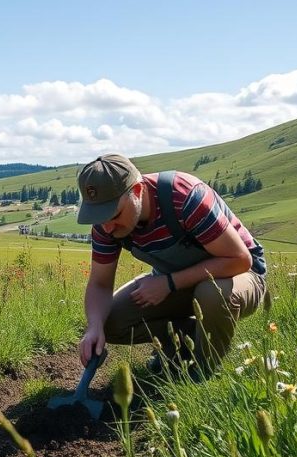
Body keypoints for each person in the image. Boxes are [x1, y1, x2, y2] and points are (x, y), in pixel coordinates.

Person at [76, 154, 267, 379]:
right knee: (110, 321)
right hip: (175, 283)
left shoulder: (185, 197)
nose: (107, 227)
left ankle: (203, 374)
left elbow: (239, 260)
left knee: (210, 293)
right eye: (99, 217)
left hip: (240, 275)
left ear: (137, 191)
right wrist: (94, 327)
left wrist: (169, 283)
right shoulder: (105, 225)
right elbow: (100, 283)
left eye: (114, 215)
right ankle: (185, 345)